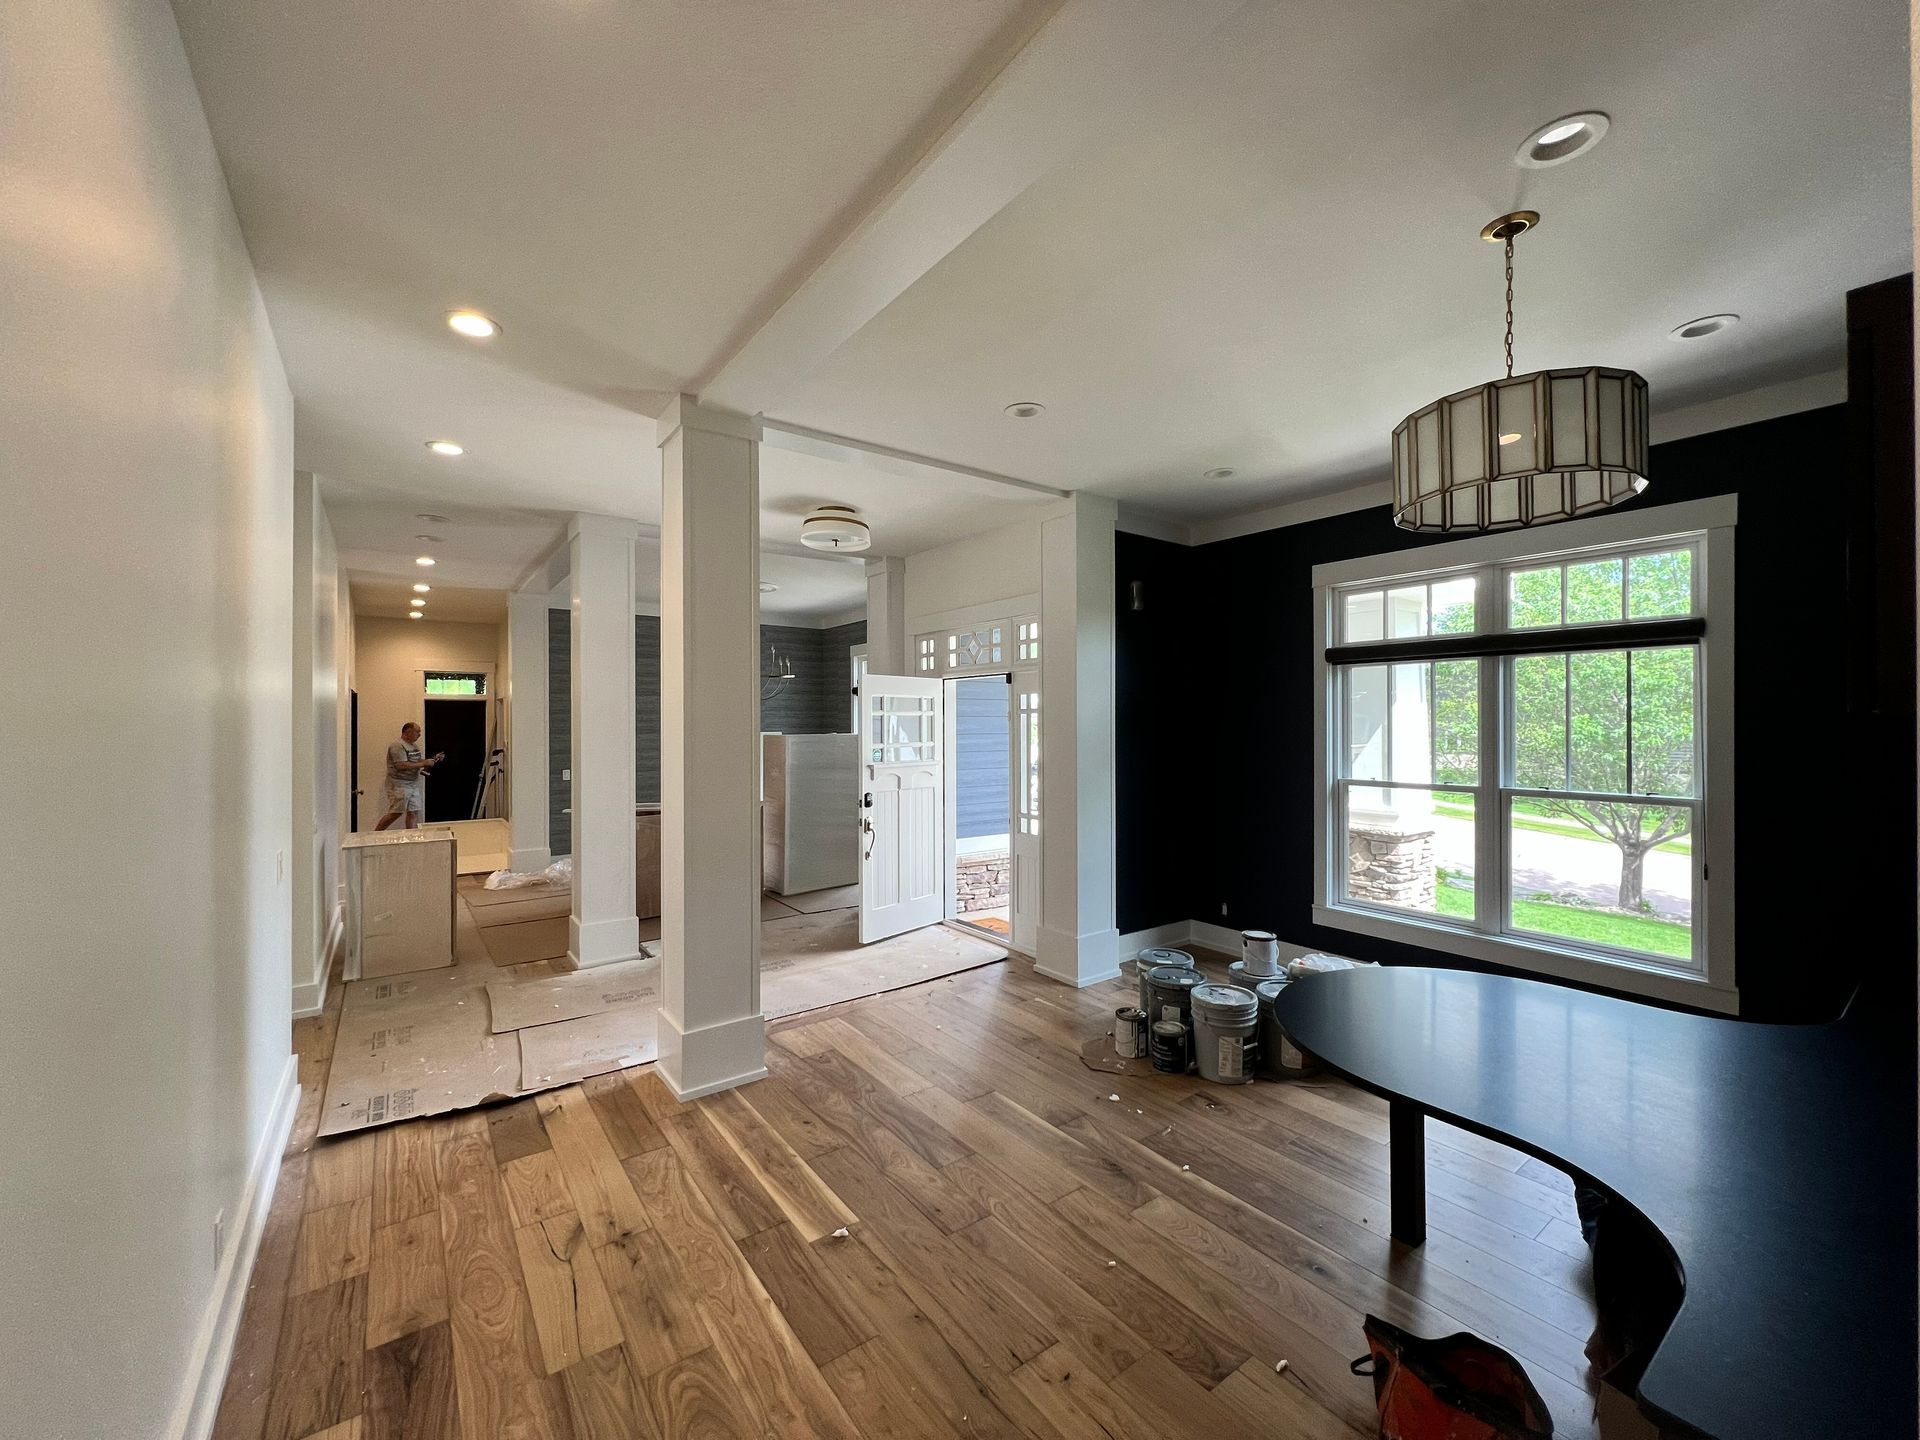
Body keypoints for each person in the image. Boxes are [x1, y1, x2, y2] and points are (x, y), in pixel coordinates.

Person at [374, 722, 444, 830]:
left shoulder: (413, 746)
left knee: (413, 811)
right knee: (396, 812)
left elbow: (415, 761)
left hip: (413, 784)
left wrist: (429, 760)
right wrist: (423, 764)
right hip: (399, 784)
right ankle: (375, 834)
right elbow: (400, 765)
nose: (419, 734)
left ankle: (411, 836)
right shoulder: (397, 745)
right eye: (417, 731)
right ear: (407, 731)